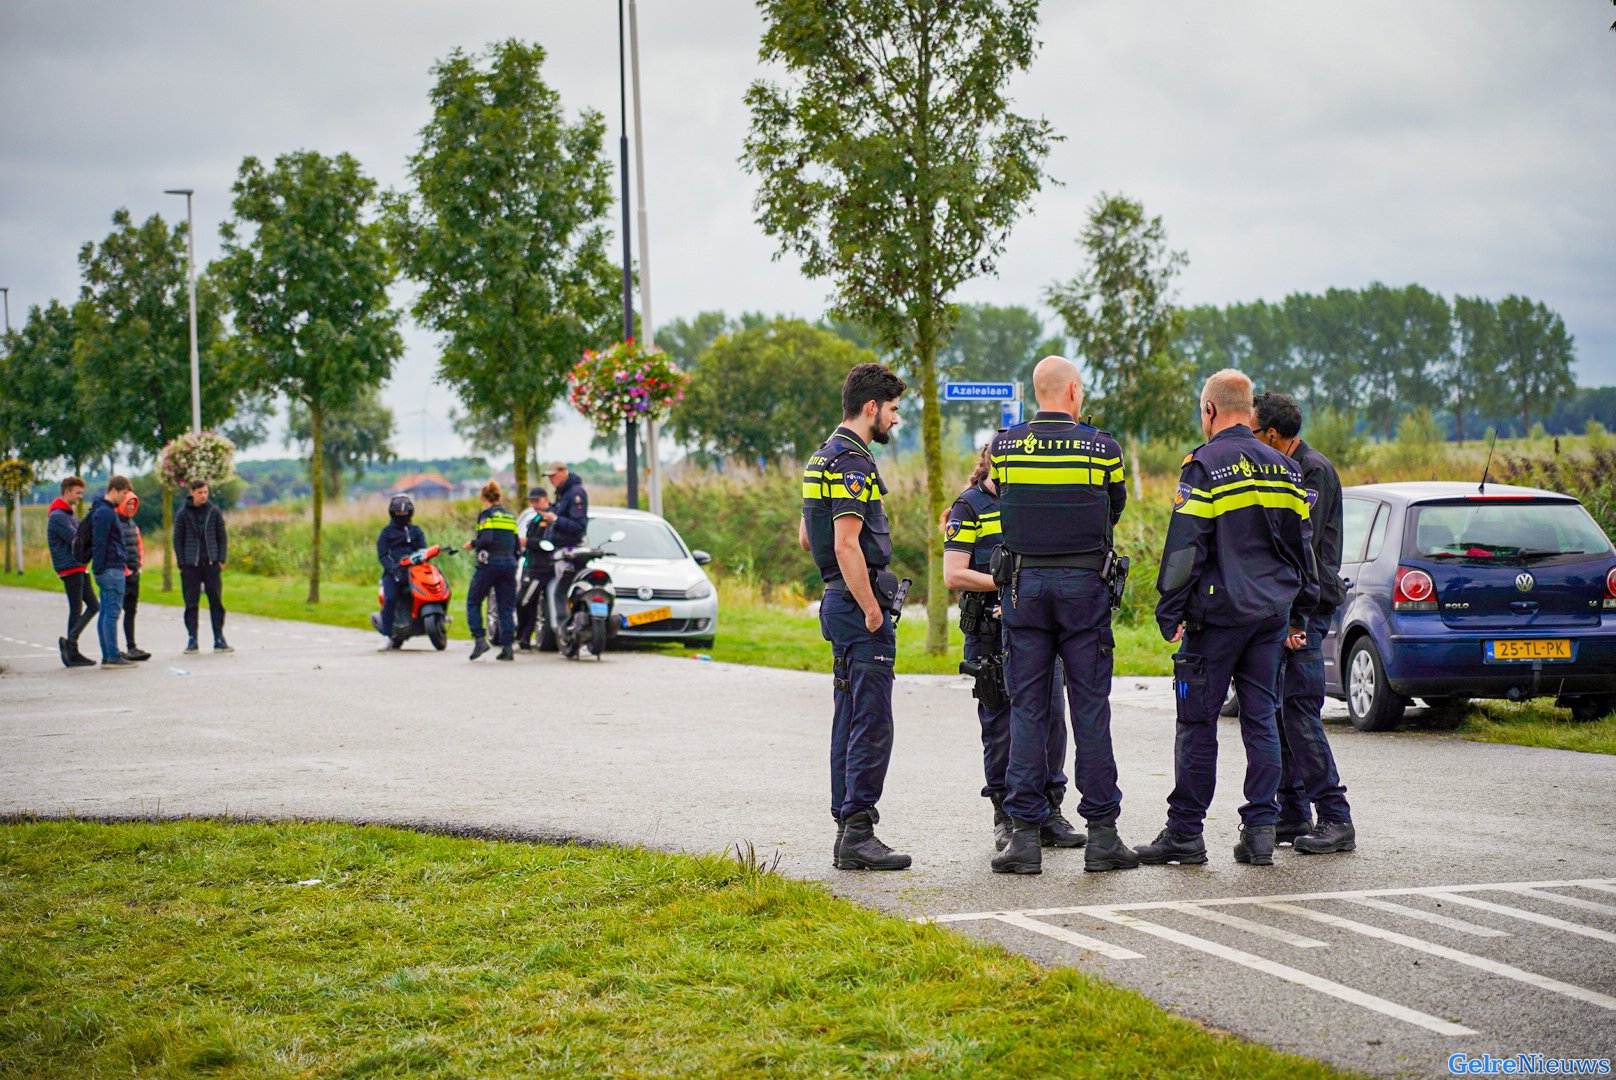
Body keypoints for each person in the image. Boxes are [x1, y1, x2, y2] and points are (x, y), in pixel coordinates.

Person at [1144, 369, 1319, 867]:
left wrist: (1169, 608)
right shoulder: (1285, 467)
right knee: (1261, 718)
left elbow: (1184, 547)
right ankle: (1261, 831)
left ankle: (1185, 833)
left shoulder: (1203, 465)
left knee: (1195, 720)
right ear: (1251, 410)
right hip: (1271, 617)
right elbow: (1301, 549)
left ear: (1210, 410)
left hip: (1216, 619)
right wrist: (1299, 613)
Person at [988, 356, 1138, 875]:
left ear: (1037, 393)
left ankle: (1023, 838)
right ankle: (1102, 837)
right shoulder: (1103, 447)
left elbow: (1003, 499)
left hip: (1023, 589)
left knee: (1029, 709)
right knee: (1090, 710)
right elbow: (1113, 508)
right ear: (1073, 391)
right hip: (1084, 589)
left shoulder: (1003, 446)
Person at [799, 362, 911, 872]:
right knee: (871, 719)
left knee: (848, 715)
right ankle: (859, 831)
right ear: (871, 408)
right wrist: (870, 608)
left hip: (834, 598)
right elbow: (847, 543)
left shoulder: (820, 459)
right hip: (855, 604)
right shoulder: (855, 463)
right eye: (892, 410)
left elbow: (810, 538)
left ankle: (847, 825)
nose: (895, 419)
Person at [942, 445, 1080, 852]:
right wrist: (1008, 584)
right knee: (1000, 724)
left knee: (1053, 717)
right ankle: (1005, 813)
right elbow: (954, 573)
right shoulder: (968, 507)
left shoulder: (1032, 502)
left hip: (1037, 626)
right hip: (989, 630)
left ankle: (1049, 811)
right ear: (996, 468)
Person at [1252, 391, 1355, 855]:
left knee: (1301, 712)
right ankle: (1292, 813)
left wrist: (1295, 616)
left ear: (1273, 435)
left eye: (1254, 433)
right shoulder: (1287, 467)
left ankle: (1335, 816)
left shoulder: (1311, 471)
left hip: (1307, 608)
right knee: (1279, 710)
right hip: (1285, 606)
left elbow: (1299, 546)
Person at [173, 479, 230, 654]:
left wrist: (221, 559)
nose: (203, 495)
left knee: (216, 601)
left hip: (211, 563)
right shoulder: (183, 513)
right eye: (200, 492)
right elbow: (178, 539)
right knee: (191, 603)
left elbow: (222, 536)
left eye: (205, 492)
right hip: (191, 565)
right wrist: (182, 563)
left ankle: (219, 638)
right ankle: (192, 639)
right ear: (192, 492)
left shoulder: (214, 511)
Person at [463, 480, 518, 661]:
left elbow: (486, 538)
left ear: (483, 497)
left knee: (473, 601)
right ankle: (507, 648)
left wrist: (472, 544)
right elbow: (517, 544)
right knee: (506, 607)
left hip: (490, 564)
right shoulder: (510, 516)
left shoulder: (487, 515)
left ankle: (480, 640)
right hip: (509, 565)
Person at [47, 476, 99, 668]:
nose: (80, 496)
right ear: (67, 491)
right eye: (77, 492)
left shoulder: (68, 513)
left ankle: (71, 645)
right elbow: (76, 538)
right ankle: (72, 648)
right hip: (70, 566)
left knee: (94, 605)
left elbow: (82, 535)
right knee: (77, 607)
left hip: (78, 565)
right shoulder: (59, 516)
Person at [89, 476, 136, 669]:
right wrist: (99, 568)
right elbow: (100, 542)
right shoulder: (107, 513)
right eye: (124, 493)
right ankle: (113, 655)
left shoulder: (100, 511)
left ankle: (108, 655)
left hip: (106, 568)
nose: (125, 497)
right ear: (115, 491)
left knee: (106, 612)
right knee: (112, 613)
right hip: (111, 569)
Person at [539, 462, 588, 629]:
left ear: (563, 472)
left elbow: (578, 525)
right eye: (549, 477)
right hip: (560, 552)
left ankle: (563, 628)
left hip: (569, 552)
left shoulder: (575, 493)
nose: (551, 479)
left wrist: (556, 520)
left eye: (553, 475)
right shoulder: (563, 494)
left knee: (559, 592)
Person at [376, 494, 427, 650]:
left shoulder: (416, 531)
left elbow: (423, 549)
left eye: (404, 514)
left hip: (415, 571)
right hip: (394, 573)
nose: (402, 517)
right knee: (390, 599)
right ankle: (386, 635)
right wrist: (392, 569)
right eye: (398, 515)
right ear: (392, 514)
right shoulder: (386, 533)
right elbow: (383, 555)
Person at [515, 486, 552, 650]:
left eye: (537, 501)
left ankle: (522, 635)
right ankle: (523, 638)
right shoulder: (534, 519)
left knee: (523, 601)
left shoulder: (550, 519)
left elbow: (549, 544)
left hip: (540, 569)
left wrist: (526, 542)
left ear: (545, 499)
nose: (535, 505)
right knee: (528, 603)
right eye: (532, 502)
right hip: (529, 565)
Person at [117, 493, 151, 661]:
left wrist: (139, 566)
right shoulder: (115, 522)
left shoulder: (132, 524)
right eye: (128, 504)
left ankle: (132, 647)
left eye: (133, 504)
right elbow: (116, 549)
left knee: (131, 611)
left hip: (134, 574)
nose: (130, 507)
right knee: (115, 612)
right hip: (121, 575)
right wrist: (124, 569)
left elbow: (139, 546)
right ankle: (113, 649)